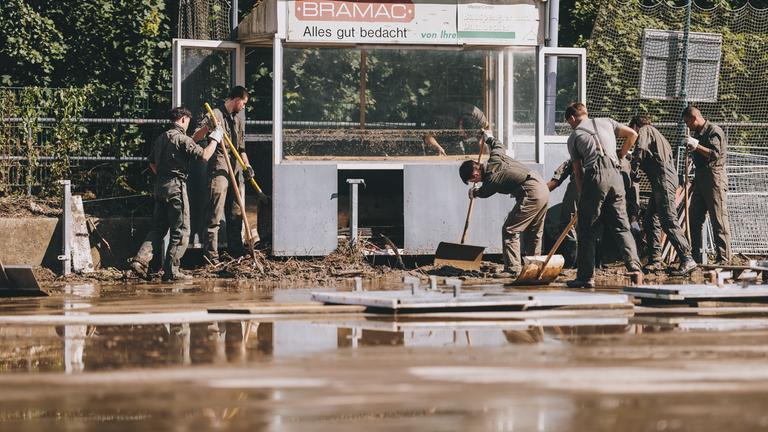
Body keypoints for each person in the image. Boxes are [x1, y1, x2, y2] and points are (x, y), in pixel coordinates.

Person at [564, 102, 641, 288]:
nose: (571, 126)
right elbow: (633, 134)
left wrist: (584, 197)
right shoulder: (607, 121)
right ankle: (636, 269)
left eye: (569, 122)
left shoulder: (574, 137)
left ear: (572, 118)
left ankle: (585, 277)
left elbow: (578, 172)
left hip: (595, 174)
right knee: (621, 225)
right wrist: (621, 155)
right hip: (616, 175)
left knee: (587, 228)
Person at [459, 129, 549, 278]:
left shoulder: (492, 177)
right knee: (533, 232)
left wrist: (473, 193)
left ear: (475, 174)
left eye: (472, 181)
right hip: (542, 187)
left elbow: (485, 192)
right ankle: (535, 268)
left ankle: (513, 269)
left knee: (510, 229)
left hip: (531, 192)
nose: (474, 183)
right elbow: (498, 145)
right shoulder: (495, 156)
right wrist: (488, 138)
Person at [149, 106, 220, 281]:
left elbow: (151, 163)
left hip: (160, 187)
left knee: (158, 229)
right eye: (188, 122)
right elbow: (204, 155)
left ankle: (140, 261)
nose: (188, 125)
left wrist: (165, 175)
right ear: (183, 120)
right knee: (181, 230)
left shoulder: (161, 138)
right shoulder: (181, 139)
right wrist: (215, 140)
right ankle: (172, 270)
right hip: (176, 188)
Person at [191, 86, 253, 264]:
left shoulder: (239, 119)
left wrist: (247, 165)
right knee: (214, 214)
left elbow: (241, 148)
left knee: (236, 214)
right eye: (243, 103)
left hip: (236, 169)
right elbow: (194, 137)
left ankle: (236, 253)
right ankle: (211, 256)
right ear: (236, 99)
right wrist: (209, 129)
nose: (243, 107)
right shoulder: (215, 114)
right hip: (219, 167)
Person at [629, 115, 696, 275]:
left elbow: (640, 149)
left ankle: (687, 258)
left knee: (668, 220)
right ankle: (655, 260)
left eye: (632, 130)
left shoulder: (646, 129)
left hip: (664, 180)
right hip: (661, 181)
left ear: (636, 126)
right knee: (650, 219)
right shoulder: (656, 134)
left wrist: (633, 165)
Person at [682, 106, 731, 264]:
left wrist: (696, 146)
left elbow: (714, 154)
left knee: (718, 219)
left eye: (688, 122)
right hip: (701, 178)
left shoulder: (713, 130)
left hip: (714, 177)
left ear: (695, 118)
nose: (687, 126)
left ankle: (724, 259)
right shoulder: (698, 133)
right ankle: (695, 258)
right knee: (695, 218)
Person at [546, 159, 578, 267]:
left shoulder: (576, 150)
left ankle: (571, 261)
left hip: (579, 185)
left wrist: (538, 191)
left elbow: (556, 180)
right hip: (600, 186)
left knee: (567, 224)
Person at [424, 103, 488, 156]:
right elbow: (428, 136)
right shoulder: (445, 119)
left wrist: (484, 157)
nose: (464, 136)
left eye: (468, 135)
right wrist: (438, 147)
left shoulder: (480, 119)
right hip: (441, 118)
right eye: (463, 133)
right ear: (460, 124)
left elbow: (483, 139)